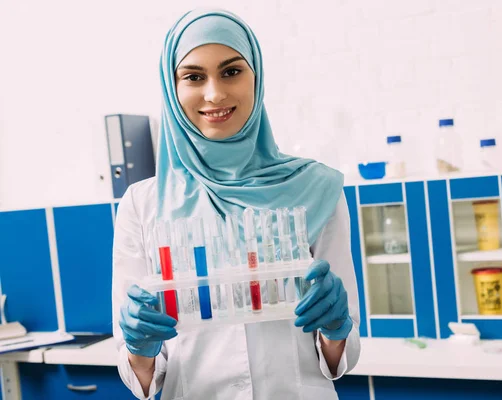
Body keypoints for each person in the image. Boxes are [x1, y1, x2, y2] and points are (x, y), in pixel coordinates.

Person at [112, 8, 361, 400]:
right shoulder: (142, 206)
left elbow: (338, 358)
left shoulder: (314, 188)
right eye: (193, 76)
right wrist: (137, 348)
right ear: (172, 87)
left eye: (231, 71)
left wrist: (336, 329)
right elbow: (142, 378)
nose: (214, 93)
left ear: (256, 78)